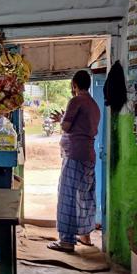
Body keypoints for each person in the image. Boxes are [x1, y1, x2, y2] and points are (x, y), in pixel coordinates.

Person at [48, 70, 101, 253]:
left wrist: (61, 119)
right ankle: (85, 235)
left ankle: (66, 241)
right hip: (88, 155)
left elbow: (66, 126)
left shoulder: (76, 100)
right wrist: (64, 118)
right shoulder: (94, 104)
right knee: (84, 195)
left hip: (74, 155)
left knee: (67, 196)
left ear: (74, 84)